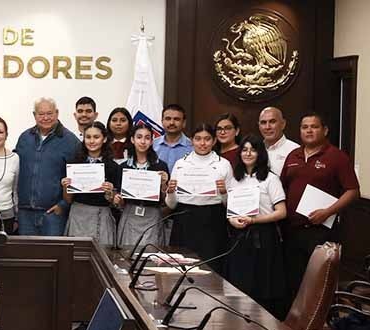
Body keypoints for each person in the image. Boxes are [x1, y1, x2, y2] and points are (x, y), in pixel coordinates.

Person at [280, 112, 359, 299]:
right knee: (294, 280)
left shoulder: (337, 157)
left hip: (321, 230)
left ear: (325, 130)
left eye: (314, 126)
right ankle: (295, 324)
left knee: (319, 282)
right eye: (304, 127)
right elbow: (283, 187)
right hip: (292, 230)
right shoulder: (293, 155)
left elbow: (353, 191)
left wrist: (327, 212)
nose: (309, 130)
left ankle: (321, 324)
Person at [223, 134, 288, 319]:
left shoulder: (270, 179)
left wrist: (254, 220)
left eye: (253, 149)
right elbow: (230, 209)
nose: (248, 153)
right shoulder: (235, 179)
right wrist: (232, 220)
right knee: (239, 284)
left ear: (261, 153)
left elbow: (281, 212)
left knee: (262, 285)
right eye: (244, 149)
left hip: (264, 237)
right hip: (239, 237)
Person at [165, 123, 233, 272]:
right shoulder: (181, 164)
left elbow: (230, 205)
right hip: (184, 220)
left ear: (214, 141)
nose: (202, 143)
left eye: (207, 139)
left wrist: (223, 193)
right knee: (180, 267)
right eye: (198, 139)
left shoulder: (224, 165)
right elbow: (171, 205)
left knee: (210, 268)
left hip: (212, 221)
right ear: (191, 140)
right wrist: (170, 192)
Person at [14, 97, 79, 236]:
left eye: (49, 113)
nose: (45, 118)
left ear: (57, 113)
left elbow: (77, 177)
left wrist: (63, 205)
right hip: (25, 214)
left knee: (53, 255)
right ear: (34, 115)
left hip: (54, 214)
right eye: (41, 114)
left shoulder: (70, 141)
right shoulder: (24, 138)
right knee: (26, 256)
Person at [61, 121, 122, 247]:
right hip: (78, 215)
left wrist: (110, 192)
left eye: (96, 137)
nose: (92, 141)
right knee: (76, 257)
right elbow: (67, 199)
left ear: (104, 139)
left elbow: (116, 203)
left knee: (101, 257)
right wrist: (65, 187)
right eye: (88, 137)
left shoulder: (113, 167)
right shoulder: (74, 164)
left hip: (102, 216)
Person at [114, 122, 170, 247]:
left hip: (152, 216)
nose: (143, 141)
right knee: (126, 255)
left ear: (151, 141)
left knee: (150, 257)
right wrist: (117, 198)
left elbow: (165, 201)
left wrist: (164, 184)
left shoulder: (160, 166)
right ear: (132, 140)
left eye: (147, 137)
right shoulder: (124, 167)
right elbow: (118, 198)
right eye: (139, 137)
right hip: (129, 215)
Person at [258, 107, 300, 175]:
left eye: (272, 122)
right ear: (259, 126)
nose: (267, 127)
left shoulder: (296, 151)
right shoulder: (253, 150)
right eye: (263, 123)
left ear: (283, 124)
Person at [153, 104, 193, 172]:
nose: (172, 123)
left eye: (176, 119)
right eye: (168, 119)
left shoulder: (192, 147)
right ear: (162, 121)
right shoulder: (152, 145)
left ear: (184, 123)